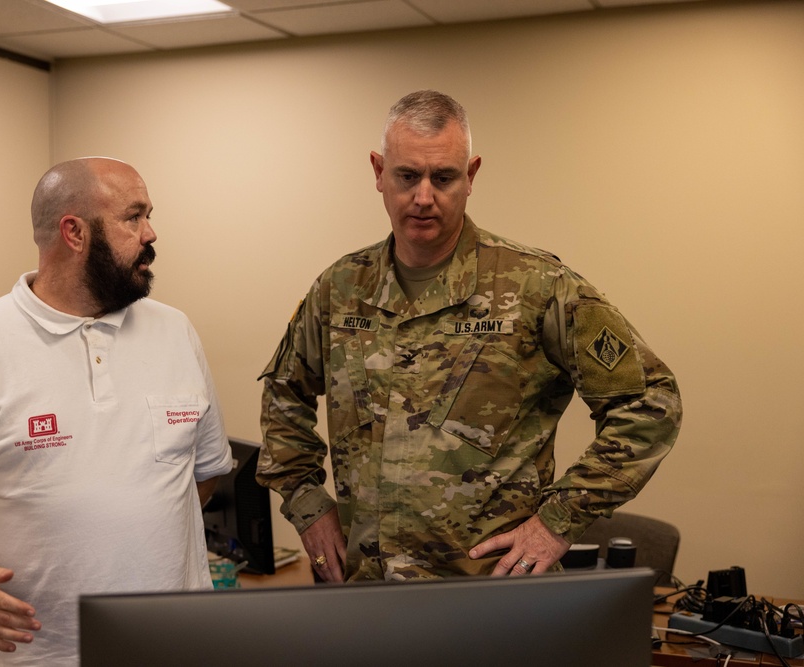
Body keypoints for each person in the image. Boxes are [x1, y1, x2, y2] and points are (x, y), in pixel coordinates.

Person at [256, 90, 682, 583]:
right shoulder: (340, 288)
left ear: (471, 176)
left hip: (492, 595)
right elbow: (283, 395)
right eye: (407, 176)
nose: (423, 197)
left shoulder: (537, 286)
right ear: (377, 171)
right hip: (366, 592)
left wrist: (557, 521)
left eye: (443, 178)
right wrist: (309, 506)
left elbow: (651, 403)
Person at [0, 157, 232, 665]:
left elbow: (201, 476)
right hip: (39, 653)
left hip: (176, 642)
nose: (151, 233)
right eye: (133, 217)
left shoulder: (175, 331)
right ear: (74, 232)